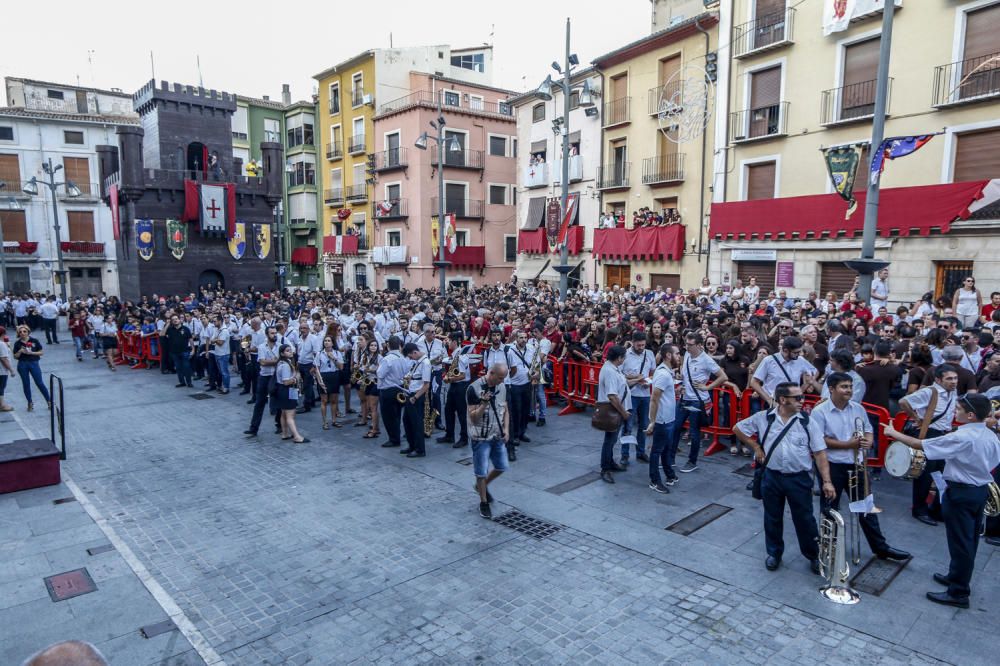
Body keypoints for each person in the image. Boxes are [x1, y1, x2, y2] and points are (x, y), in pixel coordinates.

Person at [885, 393, 1000, 608]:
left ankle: (958, 592)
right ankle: (956, 577)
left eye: (959, 410)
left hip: (962, 493)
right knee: (969, 540)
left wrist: (893, 433)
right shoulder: (990, 435)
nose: (956, 412)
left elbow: (921, 445)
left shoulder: (963, 436)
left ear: (971, 415)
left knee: (961, 543)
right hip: (978, 491)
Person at [734, 382, 835, 573]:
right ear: (782, 400)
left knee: (805, 519)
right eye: (797, 398)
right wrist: (755, 447)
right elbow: (738, 428)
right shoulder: (764, 418)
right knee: (772, 517)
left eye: (802, 397)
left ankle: (813, 555)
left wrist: (827, 481)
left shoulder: (807, 422)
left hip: (799, 479)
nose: (802, 401)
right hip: (772, 476)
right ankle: (774, 553)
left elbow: (820, 453)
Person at [811, 372, 911, 562]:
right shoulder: (819, 411)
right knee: (830, 509)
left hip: (856, 464)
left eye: (850, 386)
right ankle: (828, 548)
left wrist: (867, 442)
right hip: (832, 466)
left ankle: (880, 547)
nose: (849, 390)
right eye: (844, 387)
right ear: (831, 389)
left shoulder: (858, 408)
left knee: (866, 508)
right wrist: (849, 444)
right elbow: (819, 441)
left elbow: (867, 430)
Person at [898, 364, 958, 526]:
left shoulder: (953, 392)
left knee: (941, 474)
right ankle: (919, 509)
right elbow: (903, 402)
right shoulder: (930, 392)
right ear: (938, 380)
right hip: (930, 434)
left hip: (944, 435)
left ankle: (936, 509)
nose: (954, 382)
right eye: (949, 379)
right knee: (925, 475)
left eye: (955, 378)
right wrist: (917, 418)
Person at [674, 332, 727, 473]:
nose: (687, 347)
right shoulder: (686, 355)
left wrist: (708, 387)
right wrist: (681, 381)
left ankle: (692, 461)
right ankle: (670, 458)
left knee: (694, 432)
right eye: (686, 344)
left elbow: (723, 376)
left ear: (698, 345)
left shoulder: (706, 360)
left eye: (690, 345)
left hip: (698, 401)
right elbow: (684, 373)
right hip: (685, 398)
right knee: (675, 428)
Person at [467, 362, 510, 519]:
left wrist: (506, 429)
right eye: (499, 378)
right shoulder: (473, 388)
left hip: (497, 435)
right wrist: (484, 404)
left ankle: (481, 487)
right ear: (491, 373)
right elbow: (473, 417)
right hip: (480, 436)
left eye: (503, 378)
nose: (502, 381)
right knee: (481, 472)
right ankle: (483, 502)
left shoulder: (502, 387)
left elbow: (505, 410)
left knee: (501, 466)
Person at [750, 336, 820, 407]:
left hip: (793, 402)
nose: (799, 354)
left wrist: (802, 389)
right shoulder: (769, 361)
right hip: (774, 403)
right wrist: (768, 400)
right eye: (796, 352)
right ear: (785, 350)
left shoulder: (800, 360)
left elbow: (815, 372)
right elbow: (754, 382)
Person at [645, 343, 678, 493]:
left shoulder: (667, 372)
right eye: (677, 353)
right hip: (663, 419)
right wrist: (652, 421)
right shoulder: (664, 374)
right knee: (657, 450)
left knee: (666, 448)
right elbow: (654, 398)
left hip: (668, 418)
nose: (680, 356)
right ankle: (654, 480)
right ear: (669, 356)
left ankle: (669, 474)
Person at [597, 345, 631, 484]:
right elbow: (612, 395)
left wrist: (636, 381)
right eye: (624, 357)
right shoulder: (610, 371)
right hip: (613, 411)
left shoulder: (613, 368)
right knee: (609, 440)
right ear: (619, 358)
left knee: (611, 439)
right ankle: (605, 468)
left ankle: (610, 462)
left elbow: (621, 384)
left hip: (616, 410)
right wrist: (623, 412)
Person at [621, 331, 655, 466]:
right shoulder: (625, 355)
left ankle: (641, 452)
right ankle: (625, 454)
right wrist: (635, 378)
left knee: (644, 425)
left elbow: (653, 373)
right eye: (638, 345)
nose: (641, 347)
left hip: (645, 394)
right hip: (631, 395)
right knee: (628, 426)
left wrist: (648, 381)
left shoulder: (650, 354)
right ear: (633, 343)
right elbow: (620, 374)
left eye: (643, 345)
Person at [245, 325, 279, 437]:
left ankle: (280, 425)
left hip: (276, 376)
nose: (274, 335)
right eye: (272, 333)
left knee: (278, 401)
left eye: (275, 333)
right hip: (264, 377)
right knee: (259, 402)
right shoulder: (262, 347)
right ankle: (253, 428)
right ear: (267, 335)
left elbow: (285, 358)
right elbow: (263, 362)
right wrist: (275, 361)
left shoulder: (279, 346)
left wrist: (272, 361)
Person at [438, 334, 471, 448]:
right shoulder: (456, 354)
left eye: (449, 341)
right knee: (448, 410)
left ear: (455, 342)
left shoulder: (459, 356)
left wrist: (449, 379)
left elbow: (462, 375)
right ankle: (449, 435)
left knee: (462, 413)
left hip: (460, 386)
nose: (448, 343)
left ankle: (464, 438)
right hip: (455, 386)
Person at [400, 342, 430, 458]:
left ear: (415, 352)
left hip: (416, 395)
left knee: (416, 423)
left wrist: (415, 397)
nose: (410, 358)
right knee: (407, 420)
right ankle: (412, 445)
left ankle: (420, 449)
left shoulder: (426, 363)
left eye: (410, 356)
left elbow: (426, 385)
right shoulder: (418, 361)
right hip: (411, 393)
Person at [274, 344, 308, 443]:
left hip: (283, 391)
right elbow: (285, 381)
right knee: (290, 415)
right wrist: (295, 378)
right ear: (282, 353)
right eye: (287, 351)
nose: (290, 352)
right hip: (286, 390)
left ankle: (285, 433)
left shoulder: (282, 363)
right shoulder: (285, 365)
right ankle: (296, 436)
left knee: (284, 413)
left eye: (290, 350)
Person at [11, 325, 51, 411]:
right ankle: (29, 402)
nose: (22, 333)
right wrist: (20, 351)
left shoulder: (34, 341)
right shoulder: (17, 343)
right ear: (18, 334)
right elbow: (15, 356)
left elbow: (41, 352)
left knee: (39, 382)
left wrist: (31, 353)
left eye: (24, 331)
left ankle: (49, 400)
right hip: (22, 364)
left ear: (28, 332)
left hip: (34, 363)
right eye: (20, 332)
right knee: (26, 384)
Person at [377, 336, 406, 449]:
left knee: (389, 416)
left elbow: (380, 374)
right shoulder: (403, 357)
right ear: (399, 346)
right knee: (397, 414)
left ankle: (394, 439)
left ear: (388, 346)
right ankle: (396, 435)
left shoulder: (387, 359)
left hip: (388, 389)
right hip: (400, 388)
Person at [314, 335, 343, 429]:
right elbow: (316, 368)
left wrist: (334, 358)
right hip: (324, 376)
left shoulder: (337, 353)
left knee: (334, 400)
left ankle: (334, 420)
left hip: (334, 376)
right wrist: (319, 380)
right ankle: (325, 421)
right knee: (324, 400)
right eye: (325, 341)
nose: (326, 342)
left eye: (329, 341)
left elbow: (341, 367)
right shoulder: (319, 354)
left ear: (332, 343)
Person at [0, 328, 13, 411]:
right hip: (1, 370)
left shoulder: (3, 343)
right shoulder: (1, 344)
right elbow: (4, 359)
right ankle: (2, 405)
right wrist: (11, 370)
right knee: (1, 387)